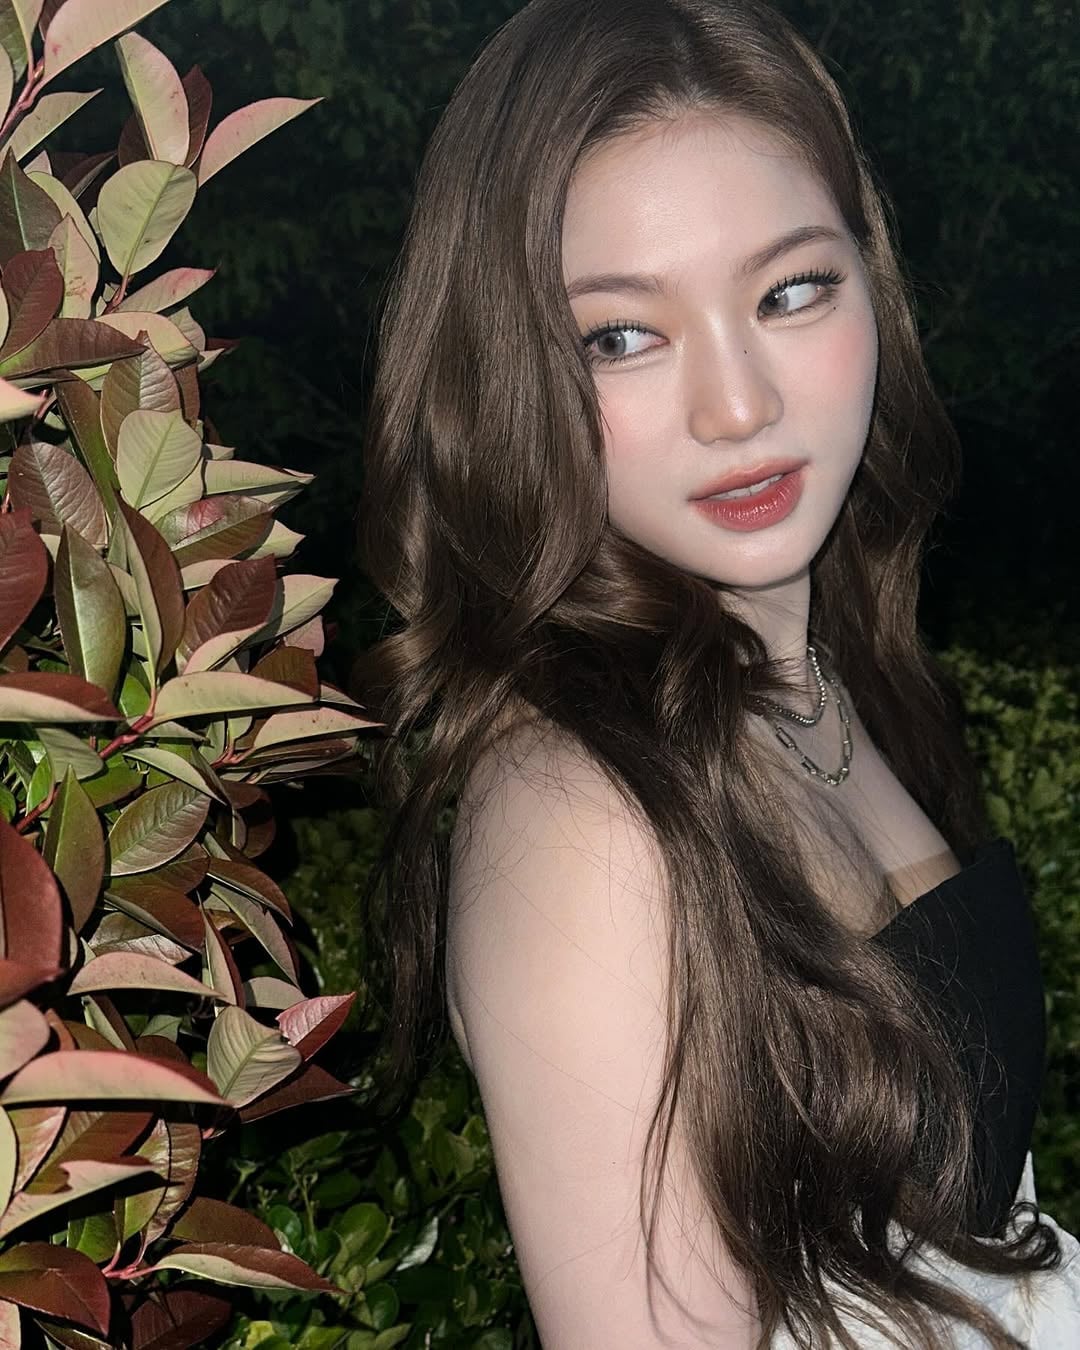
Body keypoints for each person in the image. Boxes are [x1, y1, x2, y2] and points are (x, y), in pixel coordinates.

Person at [355, 0, 1080, 1344]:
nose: (738, 405)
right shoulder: (584, 818)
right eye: (620, 335)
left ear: (872, 283)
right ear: (510, 376)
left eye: (790, 290)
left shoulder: (826, 672)